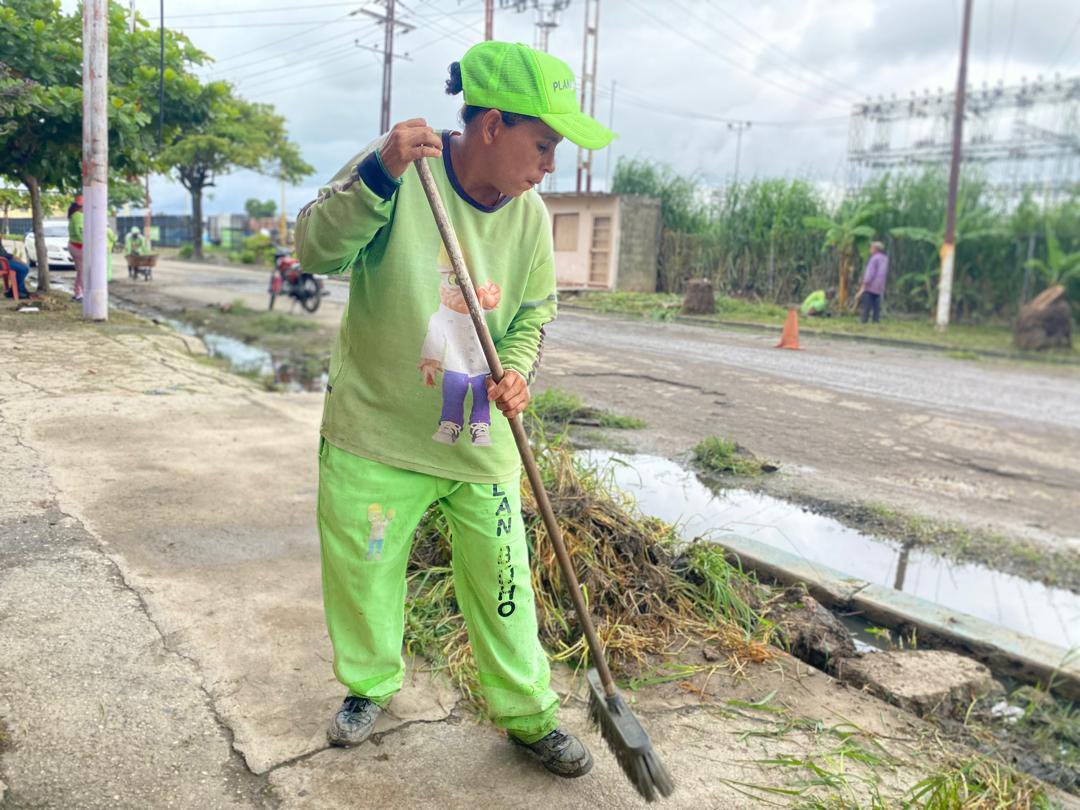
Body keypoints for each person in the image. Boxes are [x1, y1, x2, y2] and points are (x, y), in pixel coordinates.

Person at [295, 41, 614, 779]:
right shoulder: (402, 175)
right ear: (493, 125)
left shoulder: (530, 218)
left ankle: (528, 715)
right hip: (377, 432)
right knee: (364, 573)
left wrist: (521, 372)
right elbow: (314, 248)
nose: (550, 164)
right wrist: (379, 173)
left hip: (477, 437)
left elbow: (534, 313)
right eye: (544, 143)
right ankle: (369, 686)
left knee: (505, 584)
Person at [858, 241, 889, 323]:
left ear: (875, 249)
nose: (870, 249)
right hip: (879, 285)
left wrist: (865, 282)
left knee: (866, 303)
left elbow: (870, 272)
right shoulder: (885, 259)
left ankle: (864, 319)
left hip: (871, 284)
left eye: (871, 248)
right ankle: (876, 319)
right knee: (876, 303)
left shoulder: (874, 258)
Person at [68, 197, 84, 301]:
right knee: (83, 272)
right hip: (79, 246)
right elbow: (80, 232)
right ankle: (82, 294)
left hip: (75, 245)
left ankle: (78, 292)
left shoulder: (74, 215)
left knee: (80, 271)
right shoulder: (78, 216)